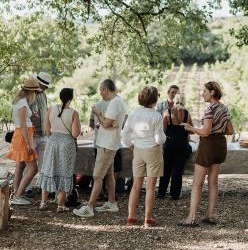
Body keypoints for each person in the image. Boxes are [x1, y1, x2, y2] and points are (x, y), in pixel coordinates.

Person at [178, 81, 232, 226]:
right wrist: (218, 127)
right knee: (213, 182)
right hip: (220, 145)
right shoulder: (224, 108)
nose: (202, 93)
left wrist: (191, 128)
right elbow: (230, 131)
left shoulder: (210, 109)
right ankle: (210, 215)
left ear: (212, 92)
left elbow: (206, 132)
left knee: (197, 183)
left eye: (205, 91)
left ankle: (191, 218)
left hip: (208, 146)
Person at [73, 79, 127, 218]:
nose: (100, 94)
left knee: (97, 176)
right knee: (109, 174)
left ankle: (89, 207)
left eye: (101, 90)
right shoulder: (120, 101)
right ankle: (111, 202)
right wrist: (103, 123)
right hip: (110, 142)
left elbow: (107, 124)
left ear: (105, 89)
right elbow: (110, 123)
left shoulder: (115, 103)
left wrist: (97, 114)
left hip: (106, 144)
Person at [122, 86, 166, 227]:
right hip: (152, 151)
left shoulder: (134, 113)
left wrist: (131, 144)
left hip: (138, 150)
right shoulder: (156, 116)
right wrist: (165, 138)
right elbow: (159, 139)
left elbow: (125, 134)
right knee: (151, 187)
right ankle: (148, 219)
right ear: (154, 99)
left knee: (136, 186)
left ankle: (131, 217)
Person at [38, 88, 81, 211]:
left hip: (52, 142)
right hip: (67, 144)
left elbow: (46, 130)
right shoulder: (74, 113)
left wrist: (54, 137)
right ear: (71, 99)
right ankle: (60, 205)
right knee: (64, 172)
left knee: (48, 169)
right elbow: (75, 134)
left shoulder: (50, 109)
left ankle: (43, 203)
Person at [6, 77, 42, 205]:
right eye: (36, 92)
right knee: (33, 169)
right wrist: (28, 143)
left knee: (20, 166)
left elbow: (23, 120)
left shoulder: (21, 101)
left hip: (22, 135)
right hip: (23, 136)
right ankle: (18, 195)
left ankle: (17, 194)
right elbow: (23, 125)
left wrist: (32, 115)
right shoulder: (22, 103)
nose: (36, 94)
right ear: (31, 91)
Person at [158, 92, 193, 200]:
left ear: (174, 100)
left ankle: (161, 192)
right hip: (182, 145)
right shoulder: (187, 114)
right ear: (184, 101)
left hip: (170, 144)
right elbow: (191, 130)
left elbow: (163, 131)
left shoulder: (167, 113)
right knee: (178, 170)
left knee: (166, 168)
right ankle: (175, 194)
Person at [25, 71, 51, 198]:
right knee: (29, 162)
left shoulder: (43, 96)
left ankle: (44, 188)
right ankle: (27, 188)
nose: (44, 88)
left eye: (46, 87)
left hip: (43, 133)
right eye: (44, 85)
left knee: (44, 162)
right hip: (32, 134)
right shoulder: (28, 94)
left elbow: (45, 111)